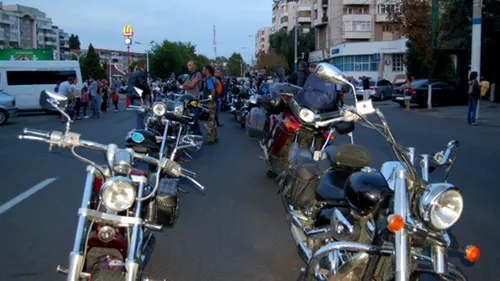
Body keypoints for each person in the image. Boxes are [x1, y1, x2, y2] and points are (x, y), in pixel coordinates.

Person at [127, 60, 151, 129]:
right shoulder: (141, 73)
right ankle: (141, 130)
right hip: (140, 96)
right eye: (145, 65)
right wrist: (148, 92)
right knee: (143, 115)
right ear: (143, 66)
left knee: (138, 115)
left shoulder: (133, 74)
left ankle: (139, 129)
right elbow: (143, 84)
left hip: (133, 96)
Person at [202, 65, 219, 144]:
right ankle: (215, 137)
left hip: (209, 103)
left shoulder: (209, 80)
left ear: (207, 70)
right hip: (210, 102)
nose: (203, 71)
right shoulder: (211, 79)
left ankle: (210, 138)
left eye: (204, 69)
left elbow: (212, 91)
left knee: (209, 121)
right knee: (213, 121)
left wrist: (211, 101)